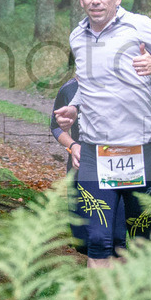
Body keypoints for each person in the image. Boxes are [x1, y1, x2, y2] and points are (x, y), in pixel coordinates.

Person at [53, 0, 151, 268]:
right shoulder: (77, 36)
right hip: (95, 152)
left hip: (141, 150)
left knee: (141, 239)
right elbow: (86, 81)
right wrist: (74, 106)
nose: (96, 0)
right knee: (99, 240)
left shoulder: (139, 26)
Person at [49, 75, 88, 254]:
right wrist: (72, 145)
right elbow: (55, 126)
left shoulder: (114, 85)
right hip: (79, 160)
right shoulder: (68, 89)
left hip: (111, 160)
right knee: (79, 225)